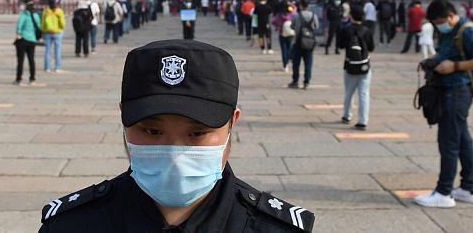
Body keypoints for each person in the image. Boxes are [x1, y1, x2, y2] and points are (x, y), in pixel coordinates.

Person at [38, 39, 315, 232]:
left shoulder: (273, 228)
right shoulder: (72, 224)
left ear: (232, 123)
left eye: (197, 133)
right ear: (123, 118)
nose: (174, 154)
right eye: (152, 131)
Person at [413, 0, 473, 209]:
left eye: (440, 22)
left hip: (457, 92)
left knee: (448, 142)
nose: (439, 26)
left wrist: (454, 66)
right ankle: (468, 188)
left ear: (450, 16)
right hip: (450, 91)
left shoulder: (467, 31)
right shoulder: (451, 31)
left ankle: (443, 192)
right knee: (463, 140)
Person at [337, 4, 375, 130]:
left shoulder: (346, 30)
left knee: (349, 92)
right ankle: (363, 121)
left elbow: (340, 46)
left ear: (351, 16)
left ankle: (347, 115)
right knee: (364, 93)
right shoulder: (367, 31)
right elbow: (371, 48)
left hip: (349, 65)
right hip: (364, 65)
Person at [289, 0, 319, 89]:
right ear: (308, 6)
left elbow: (292, 26)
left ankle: (295, 81)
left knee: (296, 63)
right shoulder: (313, 15)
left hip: (298, 42)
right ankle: (307, 82)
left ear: (301, 6)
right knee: (308, 63)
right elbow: (316, 26)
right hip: (310, 42)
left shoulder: (296, 16)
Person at [14, 0, 41, 85]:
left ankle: (19, 79)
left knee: (20, 60)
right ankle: (32, 78)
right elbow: (39, 26)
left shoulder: (24, 15)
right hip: (32, 40)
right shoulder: (36, 16)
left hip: (23, 40)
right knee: (31, 60)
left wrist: (18, 34)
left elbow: (19, 27)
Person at [42, 0, 66, 72]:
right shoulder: (59, 12)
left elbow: (42, 23)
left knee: (47, 51)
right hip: (57, 32)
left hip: (47, 32)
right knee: (57, 51)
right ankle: (57, 68)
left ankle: (47, 67)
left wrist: (43, 31)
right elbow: (62, 24)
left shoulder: (45, 11)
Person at [273, 3, 296, 72]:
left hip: (282, 33)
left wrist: (278, 26)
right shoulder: (292, 14)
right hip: (291, 33)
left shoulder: (280, 15)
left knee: (284, 50)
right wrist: (290, 3)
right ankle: (289, 59)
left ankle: (285, 65)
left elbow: (273, 21)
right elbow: (295, 8)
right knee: (290, 48)